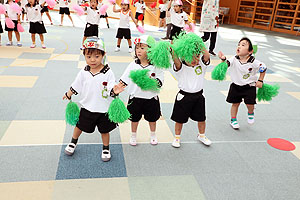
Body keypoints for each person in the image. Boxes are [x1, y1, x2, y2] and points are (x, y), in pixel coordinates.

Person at [63, 37, 125, 162]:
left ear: (103, 55)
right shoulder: (84, 71)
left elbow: (111, 86)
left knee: (105, 130)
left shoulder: (108, 72)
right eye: (88, 56)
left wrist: (114, 90)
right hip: (87, 107)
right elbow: (77, 84)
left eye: (97, 56)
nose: (92, 60)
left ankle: (106, 148)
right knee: (79, 126)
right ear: (84, 55)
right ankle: (73, 142)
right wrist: (69, 93)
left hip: (104, 109)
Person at [119, 35, 164, 146]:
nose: (139, 50)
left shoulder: (156, 65)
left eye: (142, 48)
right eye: (137, 48)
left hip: (151, 98)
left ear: (150, 50)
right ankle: (133, 135)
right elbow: (124, 79)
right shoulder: (133, 64)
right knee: (134, 119)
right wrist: (117, 88)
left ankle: (153, 134)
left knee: (152, 119)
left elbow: (160, 82)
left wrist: (150, 81)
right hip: (135, 98)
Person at [170, 33, 212, 148]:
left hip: (198, 96)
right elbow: (176, 60)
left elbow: (206, 55)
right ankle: (177, 137)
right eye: (191, 57)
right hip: (183, 97)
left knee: (201, 118)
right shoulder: (181, 67)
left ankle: (202, 135)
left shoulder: (201, 65)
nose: (195, 59)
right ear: (184, 56)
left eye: (197, 56)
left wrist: (200, 44)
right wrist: (173, 50)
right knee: (179, 119)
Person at [218, 37, 267, 129]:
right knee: (235, 104)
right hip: (235, 86)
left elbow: (263, 68)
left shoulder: (254, 62)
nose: (239, 46)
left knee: (250, 104)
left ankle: (251, 112)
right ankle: (233, 120)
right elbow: (226, 65)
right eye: (239, 44)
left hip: (249, 86)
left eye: (243, 45)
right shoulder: (234, 59)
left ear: (250, 51)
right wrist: (223, 59)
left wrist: (260, 80)